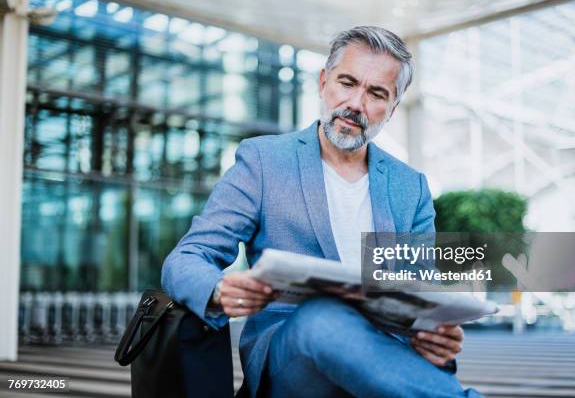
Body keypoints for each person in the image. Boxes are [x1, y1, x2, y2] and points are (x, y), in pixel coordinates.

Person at [162, 26, 481, 398]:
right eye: (347, 82)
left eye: (376, 93)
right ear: (324, 81)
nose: (356, 104)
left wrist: (433, 336)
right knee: (323, 317)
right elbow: (186, 257)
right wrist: (218, 289)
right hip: (289, 362)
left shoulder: (410, 187)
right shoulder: (264, 161)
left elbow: (420, 296)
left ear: (392, 109)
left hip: (378, 359)